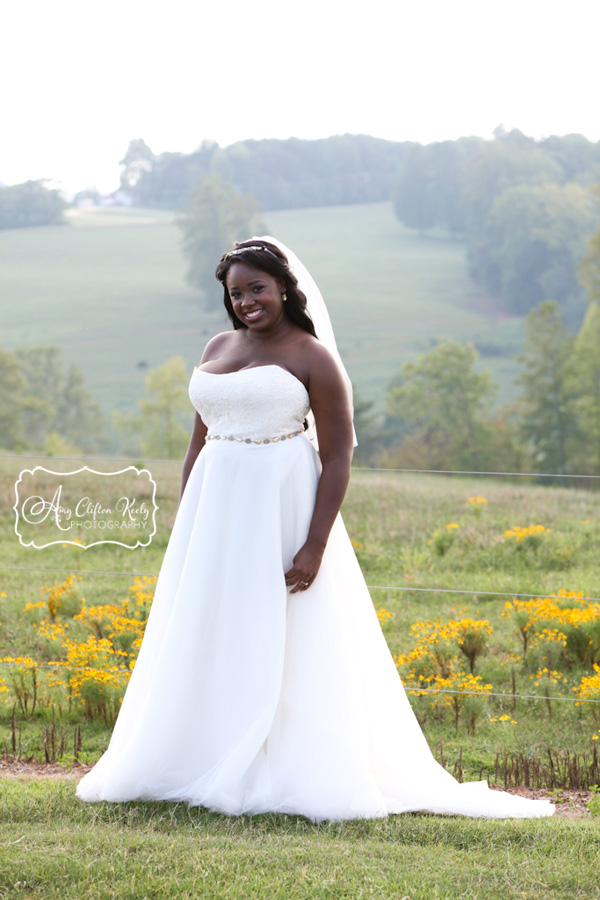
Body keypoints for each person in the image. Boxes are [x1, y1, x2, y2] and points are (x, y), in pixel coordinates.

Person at [77, 238, 554, 820]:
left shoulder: (312, 356)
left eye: (257, 288)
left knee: (282, 628)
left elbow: (338, 457)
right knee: (209, 623)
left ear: (283, 287)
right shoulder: (217, 345)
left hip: (281, 504)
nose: (247, 300)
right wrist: (188, 514)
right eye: (236, 292)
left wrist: (315, 543)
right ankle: (199, 752)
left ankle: (277, 762)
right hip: (214, 508)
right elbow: (198, 440)